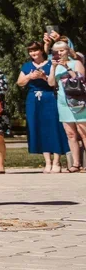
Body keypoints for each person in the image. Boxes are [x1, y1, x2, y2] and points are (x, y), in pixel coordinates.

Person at [18, 41, 68, 172]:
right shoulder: (27, 66)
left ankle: (57, 161)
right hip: (33, 99)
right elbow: (20, 82)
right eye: (30, 51)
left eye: (35, 50)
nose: (33, 53)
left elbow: (54, 83)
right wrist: (30, 76)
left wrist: (43, 77)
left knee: (54, 127)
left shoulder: (51, 63)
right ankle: (47, 162)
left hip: (49, 97)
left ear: (41, 50)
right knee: (39, 128)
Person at [49, 39, 86, 171]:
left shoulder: (76, 63)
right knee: (70, 134)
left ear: (67, 50)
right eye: (56, 51)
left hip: (78, 102)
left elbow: (80, 79)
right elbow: (51, 83)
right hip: (63, 103)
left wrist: (67, 67)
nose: (59, 53)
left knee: (83, 132)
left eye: (62, 50)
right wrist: (53, 68)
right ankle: (76, 163)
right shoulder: (54, 65)